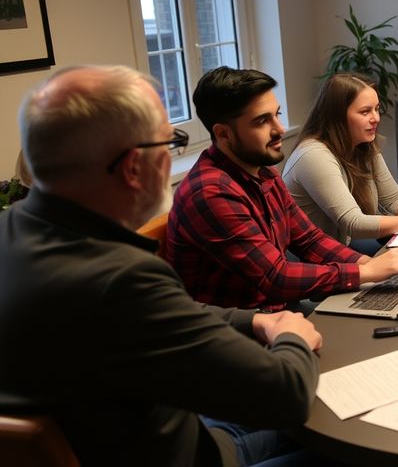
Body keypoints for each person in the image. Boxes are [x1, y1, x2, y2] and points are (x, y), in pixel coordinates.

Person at [0, 65, 324, 465]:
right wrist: (292, 334)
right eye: (170, 143)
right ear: (134, 167)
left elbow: (160, 317)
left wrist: (254, 322)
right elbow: (286, 395)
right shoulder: (121, 279)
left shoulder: (15, 231)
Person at [168, 67, 398, 311]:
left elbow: (309, 240)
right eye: (262, 121)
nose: (279, 129)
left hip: (279, 308)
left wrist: (373, 264)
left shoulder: (264, 173)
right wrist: (365, 272)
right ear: (224, 134)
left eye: (277, 115)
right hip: (243, 327)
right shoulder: (210, 192)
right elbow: (275, 277)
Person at [282, 73, 398, 253]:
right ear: (337, 117)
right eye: (365, 112)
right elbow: (354, 223)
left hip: (338, 248)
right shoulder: (313, 155)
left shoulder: (363, 144)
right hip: (309, 261)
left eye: (376, 109)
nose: (376, 118)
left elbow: (393, 199)